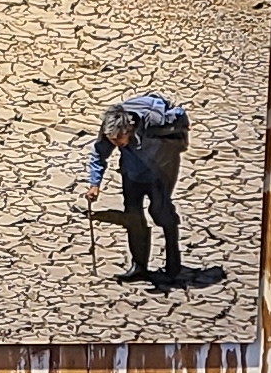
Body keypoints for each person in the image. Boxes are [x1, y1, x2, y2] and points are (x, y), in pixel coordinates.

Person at [77, 94, 190, 285]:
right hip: (132, 173)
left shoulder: (156, 121)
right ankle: (139, 266)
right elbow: (99, 154)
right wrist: (95, 184)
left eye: (119, 140)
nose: (116, 145)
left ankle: (173, 263)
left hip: (161, 172)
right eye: (113, 141)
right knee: (133, 216)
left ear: (129, 129)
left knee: (160, 212)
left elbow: (179, 117)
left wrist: (175, 147)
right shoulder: (111, 127)